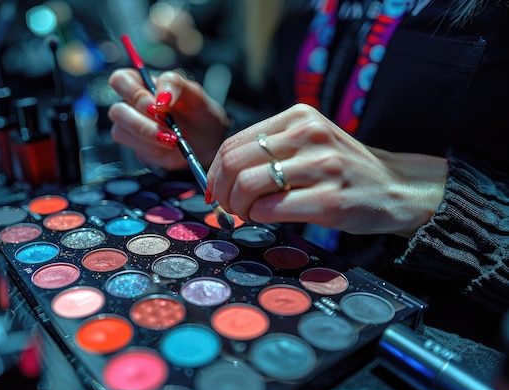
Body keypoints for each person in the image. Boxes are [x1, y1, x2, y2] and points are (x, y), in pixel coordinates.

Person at [107, 0, 509, 348]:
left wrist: (418, 194)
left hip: (431, 338)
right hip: (277, 275)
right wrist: (221, 141)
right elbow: (286, 113)